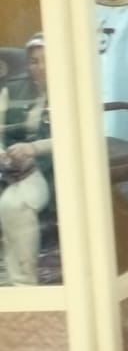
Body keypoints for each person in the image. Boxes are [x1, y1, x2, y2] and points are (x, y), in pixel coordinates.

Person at [1, 33, 53, 285]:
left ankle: (23, 284)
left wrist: (33, 149)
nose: (39, 67)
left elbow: (76, 136)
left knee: (14, 205)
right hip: (9, 163)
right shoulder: (12, 88)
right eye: (33, 61)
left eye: (46, 60)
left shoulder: (75, 89)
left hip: (47, 165)